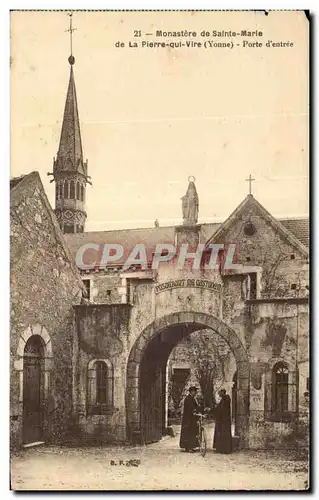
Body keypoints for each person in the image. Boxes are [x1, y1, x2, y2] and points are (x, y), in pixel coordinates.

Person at [179, 386, 200, 453]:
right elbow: (190, 408)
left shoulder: (193, 398)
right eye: (195, 391)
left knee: (192, 433)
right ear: (191, 391)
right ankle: (188, 448)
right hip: (188, 419)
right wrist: (194, 411)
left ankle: (191, 446)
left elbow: (196, 407)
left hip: (192, 418)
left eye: (196, 391)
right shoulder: (188, 399)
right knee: (188, 433)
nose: (196, 392)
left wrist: (199, 410)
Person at [213, 389, 232, 454]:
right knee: (222, 434)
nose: (219, 395)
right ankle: (221, 448)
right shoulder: (224, 399)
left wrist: (214, 409)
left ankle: (225, 449)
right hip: (222, 420)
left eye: (220, 393)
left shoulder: (226, 399)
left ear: (223, 393)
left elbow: (221, 409)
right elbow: (219, 408)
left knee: (224, 434)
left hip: (224, 420)